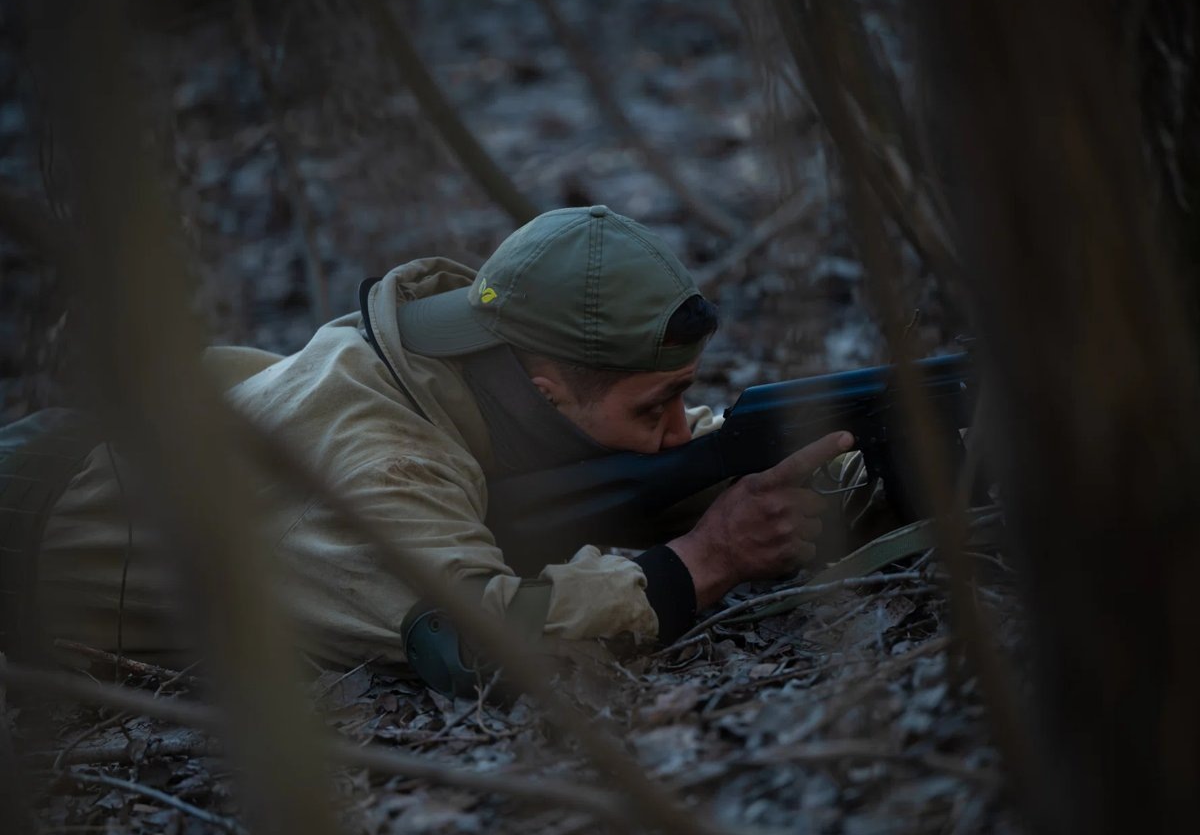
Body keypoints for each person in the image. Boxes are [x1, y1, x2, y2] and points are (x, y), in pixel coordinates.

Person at [0, 206, 852, 691]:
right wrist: (705, 560)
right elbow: (478, 638)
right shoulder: (382, 459)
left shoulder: (478, 365)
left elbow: (679, 452)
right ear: (547, 389)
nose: (677, 429)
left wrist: (846, 464)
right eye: (655, 405)